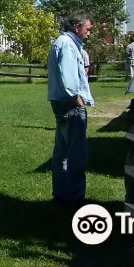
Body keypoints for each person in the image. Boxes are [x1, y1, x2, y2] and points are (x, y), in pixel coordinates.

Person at [46, 11, 94, 206]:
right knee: (75, 154)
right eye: (88, 29)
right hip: (69, 103)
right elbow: (69, 80)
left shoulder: (64, 43)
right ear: (77, 27)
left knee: (62, 152)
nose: (89, 33)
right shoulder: (67, 44)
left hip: (61, 102)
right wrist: (78, 101)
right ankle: (74, 198)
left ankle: (61, 195)